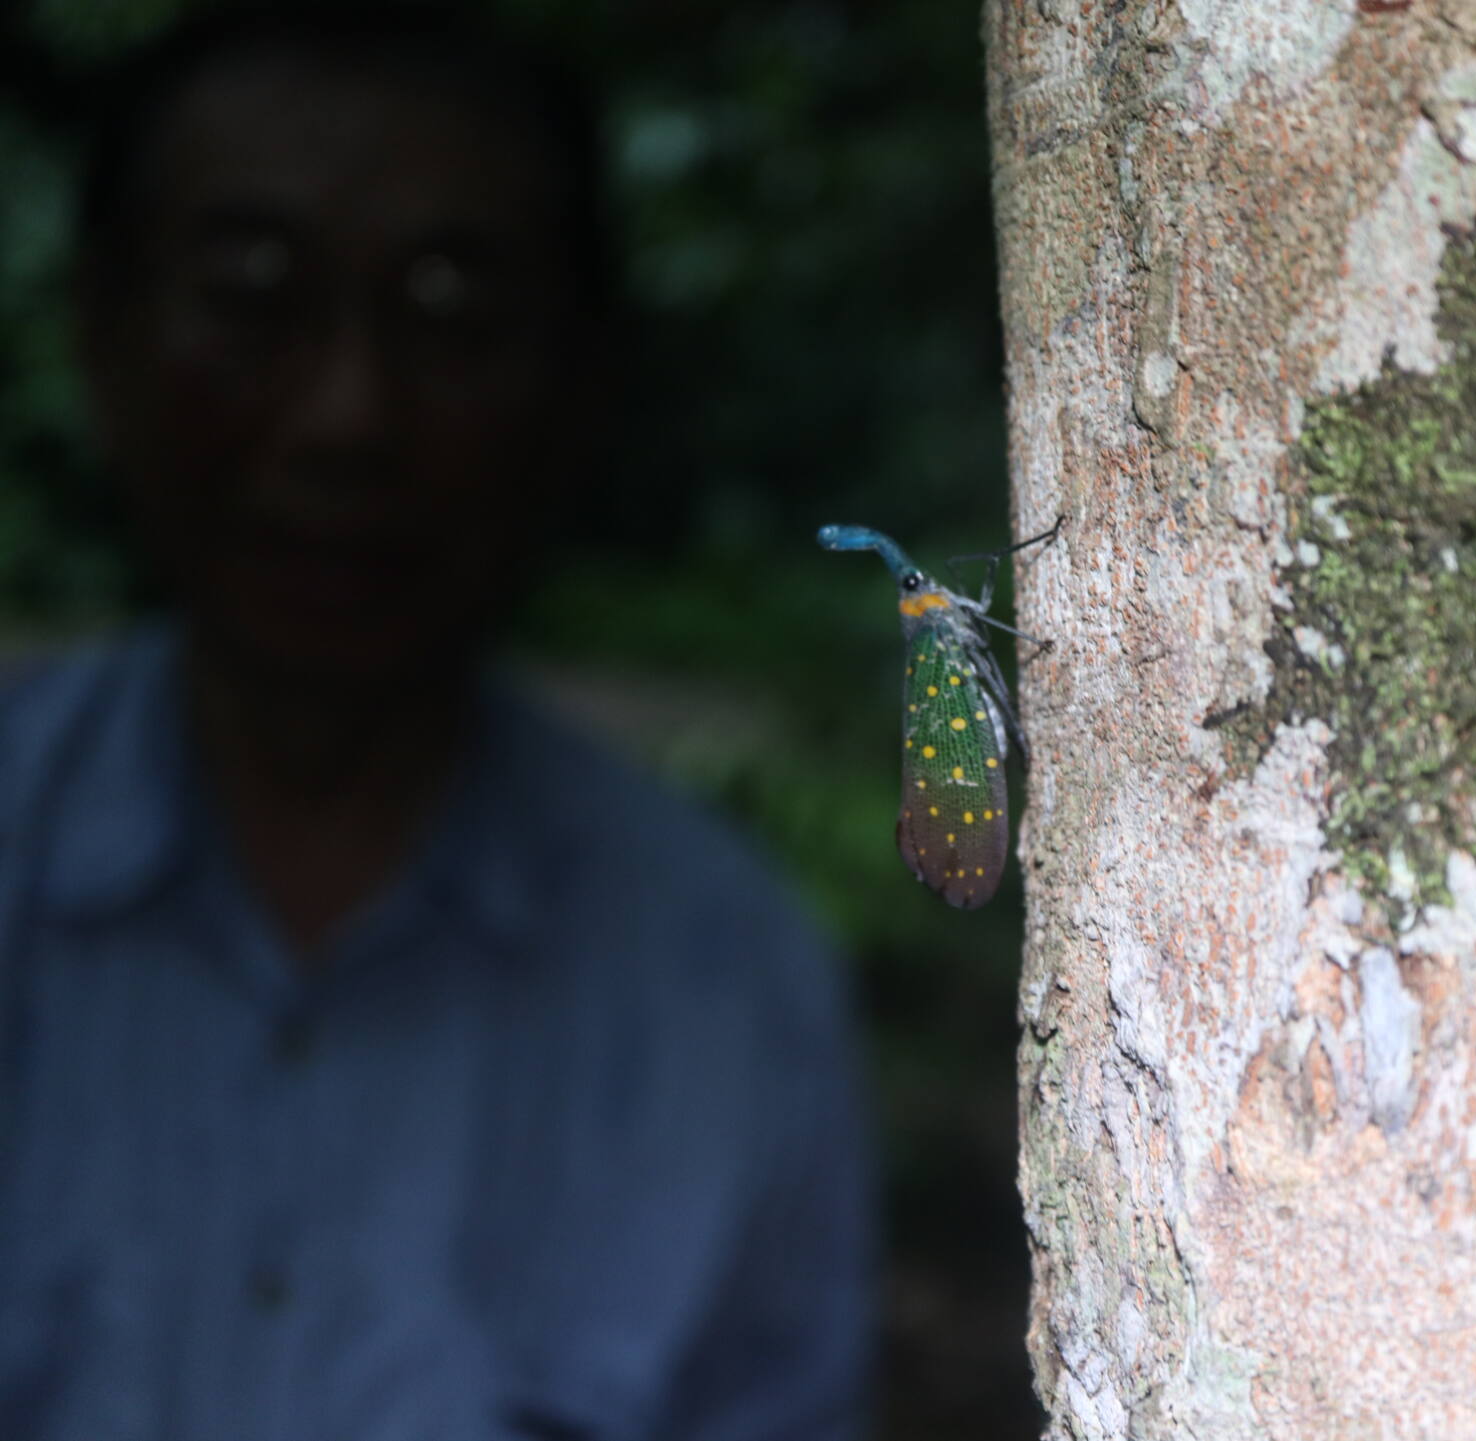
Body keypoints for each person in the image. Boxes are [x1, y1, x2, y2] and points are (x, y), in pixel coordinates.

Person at [0, 6, 872, 1438]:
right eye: (252, 296)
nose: (349, 416)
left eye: (452, 315)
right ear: (103, 336)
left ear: (579, 383)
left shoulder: (729, 985)